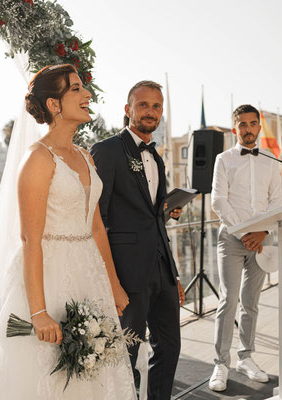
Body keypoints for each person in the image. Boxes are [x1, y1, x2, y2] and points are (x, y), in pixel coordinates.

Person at [0, 64, 136, 399]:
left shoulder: (86, 157)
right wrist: (38, 313)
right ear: (54, 105)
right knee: (49, 374)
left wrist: (112, 282)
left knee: (94, 372)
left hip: (89, 274)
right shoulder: (38, 159)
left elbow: (96, 226)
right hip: (48, 277)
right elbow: (30, 240)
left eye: (85, 88)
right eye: (77, 89)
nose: (87, 95)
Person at [91, 80, 185, 400]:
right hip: (128, 274)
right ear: (128, 109)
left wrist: (173, 273)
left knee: (170, 348)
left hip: (162, 270)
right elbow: (96, 218)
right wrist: (111, 281)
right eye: (143, 105)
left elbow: (152, 216)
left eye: (156, 106)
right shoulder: (107, 151)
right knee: (125, 355)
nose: (150, 111)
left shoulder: (156, 157)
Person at [208, 104, 282, 392]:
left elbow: (276, 201)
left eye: (253, 123)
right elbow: (218, 201)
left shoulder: (272, 159)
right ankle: (220, 363)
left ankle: (246, 357)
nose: (248, 129)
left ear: (259, 127)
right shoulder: (223, 160)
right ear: (234, 128)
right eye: (242, 124)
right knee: (228, 301)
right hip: (231, 239)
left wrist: (262, 232)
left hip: (263, 241)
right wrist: (244, 232)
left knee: (251, 303)